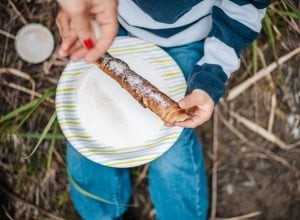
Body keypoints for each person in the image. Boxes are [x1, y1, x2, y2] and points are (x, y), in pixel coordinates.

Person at [55, 0, 270, 219]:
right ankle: (102, 214)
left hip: (188, 39)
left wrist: (211, 75)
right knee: (86, 134)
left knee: (172, 145)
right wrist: (79, 8)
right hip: (113, 20)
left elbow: (245, 7)